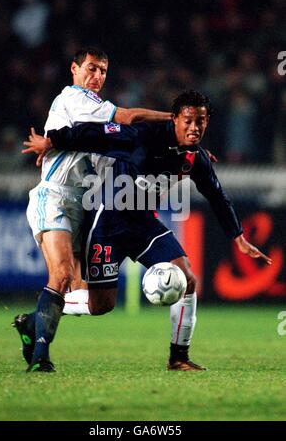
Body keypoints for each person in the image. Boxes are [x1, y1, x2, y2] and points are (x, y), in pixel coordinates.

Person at [23, 90, 272, 371]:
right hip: (109, 224)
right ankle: (38, 317)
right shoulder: (142, 136)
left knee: (187, 278)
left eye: (200, 121)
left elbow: (217, 196)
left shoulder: (196, 159)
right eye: (188, 121)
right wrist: (53, 140)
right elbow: (94, 133)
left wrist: (237, 237)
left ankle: (178, 357)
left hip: (143, 225)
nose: (194, 128)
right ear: (175, 119)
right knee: (101, 305)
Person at [13, 46, 172, 373]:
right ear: (74, 69)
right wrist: (176, 119)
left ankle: (32, 325)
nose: (96, 76)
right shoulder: (75, 98)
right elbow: (127, 118)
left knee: (84, 294)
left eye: (102, 71)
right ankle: (41, 358)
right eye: (91, 68)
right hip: (54, 196)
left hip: (82, 205)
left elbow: (116, 145)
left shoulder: (96, 118)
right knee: (60, 274)